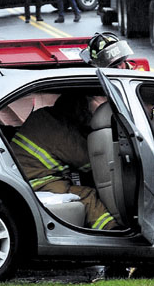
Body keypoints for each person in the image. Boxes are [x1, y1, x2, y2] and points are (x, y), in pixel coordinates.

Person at [10, 93, 118, 230]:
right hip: (37, 182)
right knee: (87, 196)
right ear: (81, 109)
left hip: (24, 177)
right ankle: (110, 230)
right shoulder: (59, 129)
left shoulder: (45, 117)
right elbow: (88, 163)